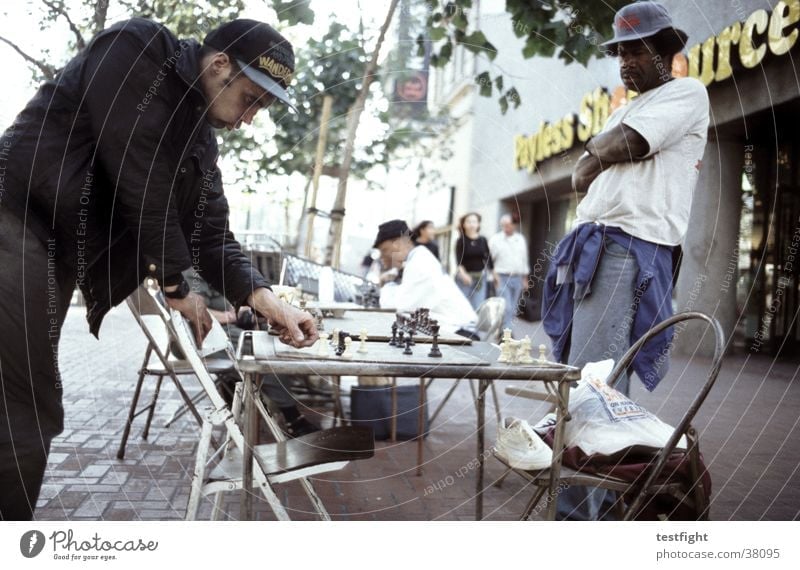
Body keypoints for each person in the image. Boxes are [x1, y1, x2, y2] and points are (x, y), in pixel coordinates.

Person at [0, 18, 319, 521]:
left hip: (53, 255)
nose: (252, 118)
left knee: (17, 404)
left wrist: (264, 298)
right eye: (252, 99)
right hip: (15, 219)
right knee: (24, 413)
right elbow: (137, 166)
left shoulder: (200, 142)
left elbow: (211, 234)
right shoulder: (138, 49)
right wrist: (176, 281)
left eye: (264, 108)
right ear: (218, 65)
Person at [542, 1, 709, 520]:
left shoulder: (685, 92)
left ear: (665, 53)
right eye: (619, 53)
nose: (623, 63)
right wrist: (597, 152)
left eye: (635, 51)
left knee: (593, 384)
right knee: (588, 378)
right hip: (598, 243)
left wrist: (597, 151)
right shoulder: (624, 105)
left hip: (627, 246)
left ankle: (578, 517)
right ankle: (603, 508)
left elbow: (626, 145)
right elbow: (582, 173)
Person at [183, 270, 319, 437]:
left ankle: (259, 398)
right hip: (202, 336)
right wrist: (229, 316)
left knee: (267, 334)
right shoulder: (191, 268)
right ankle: (292, 418)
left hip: (219, 330)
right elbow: (192, 311)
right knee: (260, 350)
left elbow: (223, 303)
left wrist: (243, 313)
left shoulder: (206, 263)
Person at [374, 220, 478, 337]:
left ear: (398, 243)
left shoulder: (420, 263)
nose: (382, 256)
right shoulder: (417, 258)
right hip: (450, 328)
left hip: (461, 333)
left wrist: (386, 284)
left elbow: (399, 307)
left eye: (384, 250)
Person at [489, 214, 530, 330]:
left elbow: (524, 259)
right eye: (503, 225)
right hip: (501, 277)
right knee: (506, 306)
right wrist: (494, 275)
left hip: (517, 278)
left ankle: (504, 330)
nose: (505, 228)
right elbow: (489, 260)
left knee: (513, 308)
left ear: (514, 225)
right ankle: (506, 332)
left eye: (508, 225)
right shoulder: (496, 240)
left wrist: (525, 279)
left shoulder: (520, 239)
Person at [454, 212, 495, 310]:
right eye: (468, 221)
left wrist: (494, 274)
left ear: (478, 224)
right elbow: (459, 260)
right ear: (463, 224)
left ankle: (473, 325)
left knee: (478, 306)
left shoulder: (483, 240)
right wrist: (464, 275)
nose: (472, 224)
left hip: (480, 278)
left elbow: (488, 258)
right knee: (462, 305)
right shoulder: (461, 240)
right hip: (464, 278)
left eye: (474, 221)